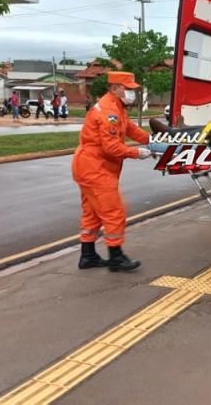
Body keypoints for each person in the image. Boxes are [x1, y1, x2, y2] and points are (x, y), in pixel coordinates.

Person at [71, 71, 152, 271]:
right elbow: (111, 147)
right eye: (128, 89)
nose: (132, 93)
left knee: (92, 214)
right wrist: (138, 153)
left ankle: (87, 256)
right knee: (114, 213)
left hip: (91, 167)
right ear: (115, 88)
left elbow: (131, 129)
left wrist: (153, 141)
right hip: (95, 169)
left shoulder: (117, 108)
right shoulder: (109, 112)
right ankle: (116, 257)